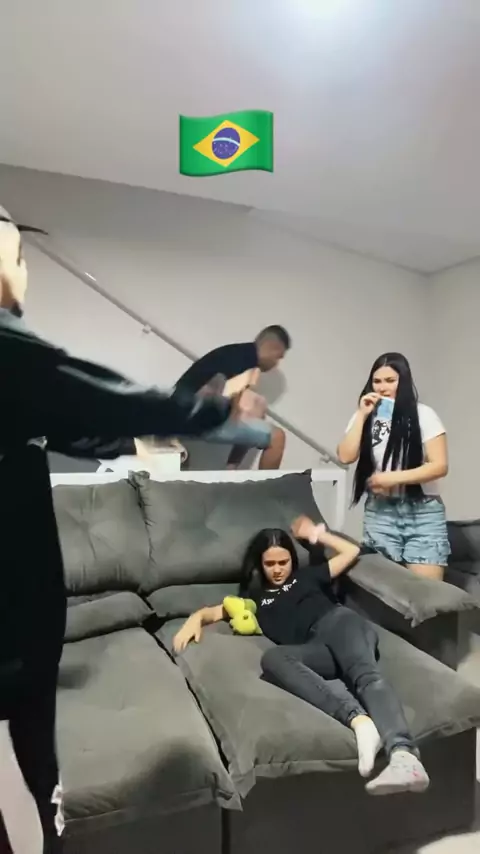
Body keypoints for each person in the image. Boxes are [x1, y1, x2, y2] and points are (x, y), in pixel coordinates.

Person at [0, 209, 237, 854]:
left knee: (32, 773)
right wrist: (214, 413)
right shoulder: (9, 348)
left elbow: (72, 424)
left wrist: (136, 438)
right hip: (12, 623)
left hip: (23, 626)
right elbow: (107, 397)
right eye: (18, 258)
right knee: (28, 780)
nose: (25, 274)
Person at [173, 516, 430, 796]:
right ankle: (360, 722)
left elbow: (351, 551)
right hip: (315, 647)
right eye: (270, 564)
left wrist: (314, 534)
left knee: (366, 677)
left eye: (283, 562)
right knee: (273, 659)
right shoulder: (255, 599)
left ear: (292, 561)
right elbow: (215, 611)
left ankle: (404, 755)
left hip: (339, 625)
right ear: (259, 565)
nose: (277, 569)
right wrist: (195, 619)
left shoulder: (306, 577)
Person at [337, 352, 449, 581]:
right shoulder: (365, 415)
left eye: (390, 381)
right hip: (381, 511)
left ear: (404, 381)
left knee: (426, 591)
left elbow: (439, 466)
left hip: (422, 512)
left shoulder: (424, 414)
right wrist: (361, 414)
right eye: (377, 381)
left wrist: (392, 478)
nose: (382, 387)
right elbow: (345, 456)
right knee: (384, 588)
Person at [173, 326, 291, 469]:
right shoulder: (244, 360)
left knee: (254, 416)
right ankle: (264, 484)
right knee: (277, 437)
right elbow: (217, 392)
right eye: (278, 357)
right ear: (271, 347)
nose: (276, 363)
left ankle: (231, 469)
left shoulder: (237, 355)